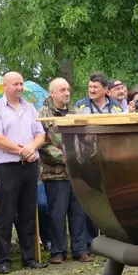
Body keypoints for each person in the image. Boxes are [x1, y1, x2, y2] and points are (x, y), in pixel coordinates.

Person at [0, 72, 47, 273]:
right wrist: (23, 150)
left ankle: (29, 257)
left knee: (29, 212)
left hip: (29, 166)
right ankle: (3, 260)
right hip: (8, 167)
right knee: (7, 213)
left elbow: (40, 134)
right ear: (5, 86)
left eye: (21, 84)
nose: (20, 87)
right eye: (15, 84)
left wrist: (32, 148)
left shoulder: (30, 108)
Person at [39, 78, 92, 264]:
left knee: (78, 212)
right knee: (57, 213)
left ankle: (80, 249)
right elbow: (43, 143)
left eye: (68, 90)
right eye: (62, 90)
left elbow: (84, 139)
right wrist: (65, 160)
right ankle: (58, 251)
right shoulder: (43, 114)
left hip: (77, 171)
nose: (67, 93)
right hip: (55, 173)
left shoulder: (76, 112)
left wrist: (79, 159)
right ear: (52, 93)